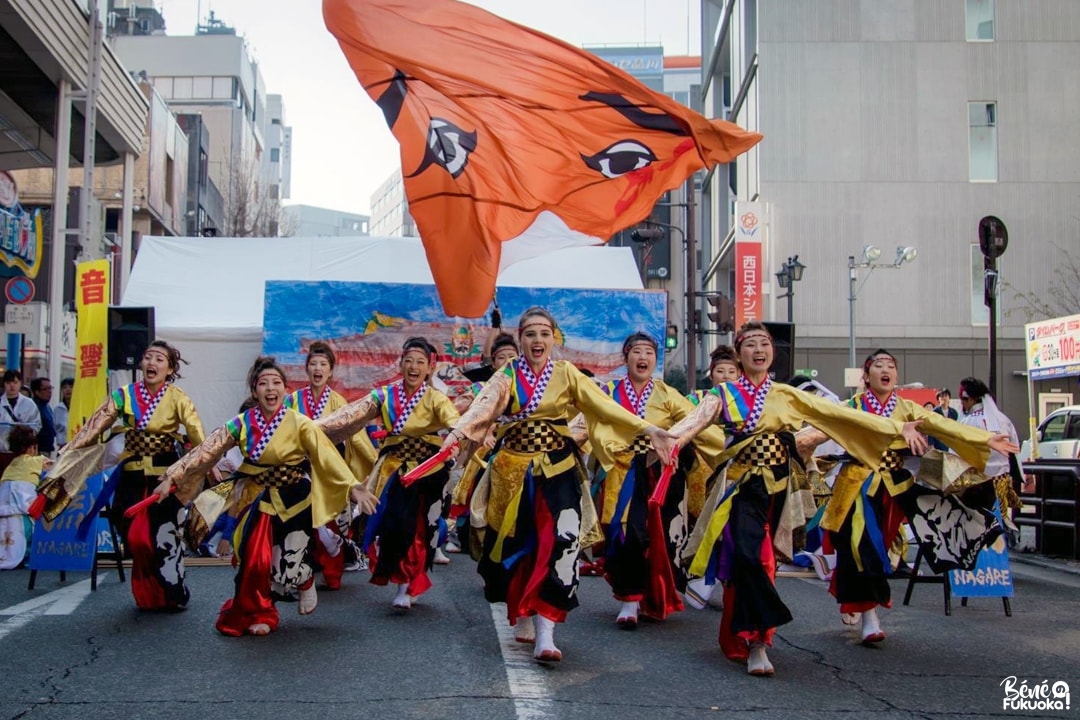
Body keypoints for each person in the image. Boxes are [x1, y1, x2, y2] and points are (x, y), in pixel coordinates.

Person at [668, 322, 930, 677]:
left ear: (773, 353)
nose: (759, 349)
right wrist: (663, 438)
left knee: (764, 563)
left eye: (765, 343)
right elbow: (691, 424)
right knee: (748, 558)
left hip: (780, 492)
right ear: (739, 353)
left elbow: (842, 415)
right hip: (741, 489)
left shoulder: (788, 395)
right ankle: (755, 635)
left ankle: (756, 640)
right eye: (750, 344)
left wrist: (899, 428)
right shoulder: (723, 394)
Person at [438, 307, 677, 663]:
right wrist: (457, 434)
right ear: (521, 339)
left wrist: (649, 429)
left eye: (545, 334)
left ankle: (547, 628)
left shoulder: (566, 374)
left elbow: (604, 407)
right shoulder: (506, 375)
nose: (538, 340)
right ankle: (522, 608)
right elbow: (482, 408)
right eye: (531, 334)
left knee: (564, 541)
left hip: (559, 469)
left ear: (554, 339)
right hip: (512, 472)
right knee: (517, 546)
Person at [153, 356, 378, 637]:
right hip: (260, 498)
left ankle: (305, 581)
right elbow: (206, 451)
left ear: (285, 389)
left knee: (290, 563)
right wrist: (172, 477)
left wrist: (352, 487)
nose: (270, 388)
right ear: (254, 390)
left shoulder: (301, 423)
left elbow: (327, 457)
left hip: (296, 499)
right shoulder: (241, 424)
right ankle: (261, 612)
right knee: (254, 560)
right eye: (263, 383)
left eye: (276, 383)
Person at [816, 352, 1015, 645]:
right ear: (866, 375)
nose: (885, 370)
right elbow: (823, 427)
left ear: (896, 376)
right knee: (861, 544)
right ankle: (871, 616)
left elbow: (943, 426)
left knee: (876, 547)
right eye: (878, 366)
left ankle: (855, 600)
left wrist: (985, 440)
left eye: (891, 366)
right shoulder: (852, 407)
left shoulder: (907, 408)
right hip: (855, 485)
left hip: (893, 487)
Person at [315, 338, 460, 609]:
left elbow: (455, 423)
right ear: (400, 364)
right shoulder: (384, 396)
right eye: (408, 361)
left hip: (427, 471)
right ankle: (405, 583)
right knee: (394, 525)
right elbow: (351, 415)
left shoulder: (436, 398)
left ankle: (410, 583)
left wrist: (462, 434)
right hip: (394, 470)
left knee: (419, 529)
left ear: (429, 368)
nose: (413, 367)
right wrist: (314, 428)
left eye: (420, 362)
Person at [592, 332, 725, 628]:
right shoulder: (608, 391)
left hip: (659, 473)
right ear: (625, 357)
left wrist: (730, 446)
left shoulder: (666, 393)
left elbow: (696, 424)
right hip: (621, 471)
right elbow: (589, 421)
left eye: (649, 352)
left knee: (658, 537)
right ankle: (628, 599)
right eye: (636, 352)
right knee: (625, 533)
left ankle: (650, 595)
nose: (643, 358)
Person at [61, 341, 206, 611]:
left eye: (159, 359)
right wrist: (68, 451)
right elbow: (94, 426)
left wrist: (205, 466)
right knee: (134, 535)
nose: (152, 363)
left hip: (165, 476)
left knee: (164, 534)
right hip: (132, 473)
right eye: (148, 357)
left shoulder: (178, 398)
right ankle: (147, 592)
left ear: (170, 368)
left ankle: (173, 593)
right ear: (141, 364)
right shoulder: (123, 395)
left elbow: (198, 436)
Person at [284, 341, 376, 589]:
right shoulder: (292, 400)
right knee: (302, 519)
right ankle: (301, 572)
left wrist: (376, 463)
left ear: (330, 371)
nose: (317, 368)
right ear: (306, 369)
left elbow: (356, 435)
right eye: (313, 363)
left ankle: (332, 573)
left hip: (329, 467)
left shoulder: (338, 402)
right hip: (301, 466)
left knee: (331, 522)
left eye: (323, 364)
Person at [957, 378, 1023, 535]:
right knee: (998, 521)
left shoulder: (968, 422)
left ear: (971, 399)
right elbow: (1015, 448)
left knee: (978, 527)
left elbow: (957, 454)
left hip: (975, 482)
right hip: (1001, 480)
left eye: (963, 400)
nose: (963, 404)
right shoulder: (1003, 419)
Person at [0, 427, 50, 569]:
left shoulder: (10, 465)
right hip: (22, 505)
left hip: (4, 503)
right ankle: (27, 556)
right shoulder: (37, 461)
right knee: (27, 530)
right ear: (32, 448)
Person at [0, 370, 41, 472]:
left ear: (20, 384)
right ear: (4, 384)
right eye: (8, 383)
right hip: (2, 450)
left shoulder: (29, 404)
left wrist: (25, 434)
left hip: (22, 451)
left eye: (15, 382)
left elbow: (37, 425)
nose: (12, 386)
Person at [30, 377, 56, 455]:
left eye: (50, 388)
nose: (49, 391)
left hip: (47, 449)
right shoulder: (32, 407)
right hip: (37, 450)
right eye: (46, 389)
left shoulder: (47, 407)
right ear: (37, 392)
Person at [53, 378, 74, 449]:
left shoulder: (80, 407)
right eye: (65, 387)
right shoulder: (58, 408)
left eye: (71, 387)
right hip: (63, 446)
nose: (68, 390)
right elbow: (54, 428)